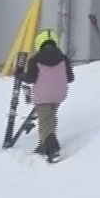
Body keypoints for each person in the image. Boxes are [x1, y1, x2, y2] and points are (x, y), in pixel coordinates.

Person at [21, 29, 73, 160]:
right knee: (51, 118)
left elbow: (31, 78)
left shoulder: (35, 59)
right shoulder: (64, 58)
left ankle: (52, 150)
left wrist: (18, 74)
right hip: (59, 94)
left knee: (44, 122)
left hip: (43, 95)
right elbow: (70, 78)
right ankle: (43, 144)